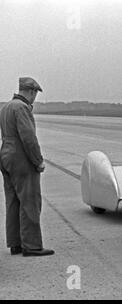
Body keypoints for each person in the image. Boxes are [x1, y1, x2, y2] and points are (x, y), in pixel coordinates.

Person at [0, 77, 54, 257]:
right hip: (20, 158)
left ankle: (15, 243)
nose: (34, 99)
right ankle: (31, 245)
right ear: (31, 92)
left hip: (6, 155)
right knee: (30, 201)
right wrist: (38, 160)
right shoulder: (22, 108)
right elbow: (28, 138)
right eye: (35, 94)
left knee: (13, 201)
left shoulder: (6, 106)